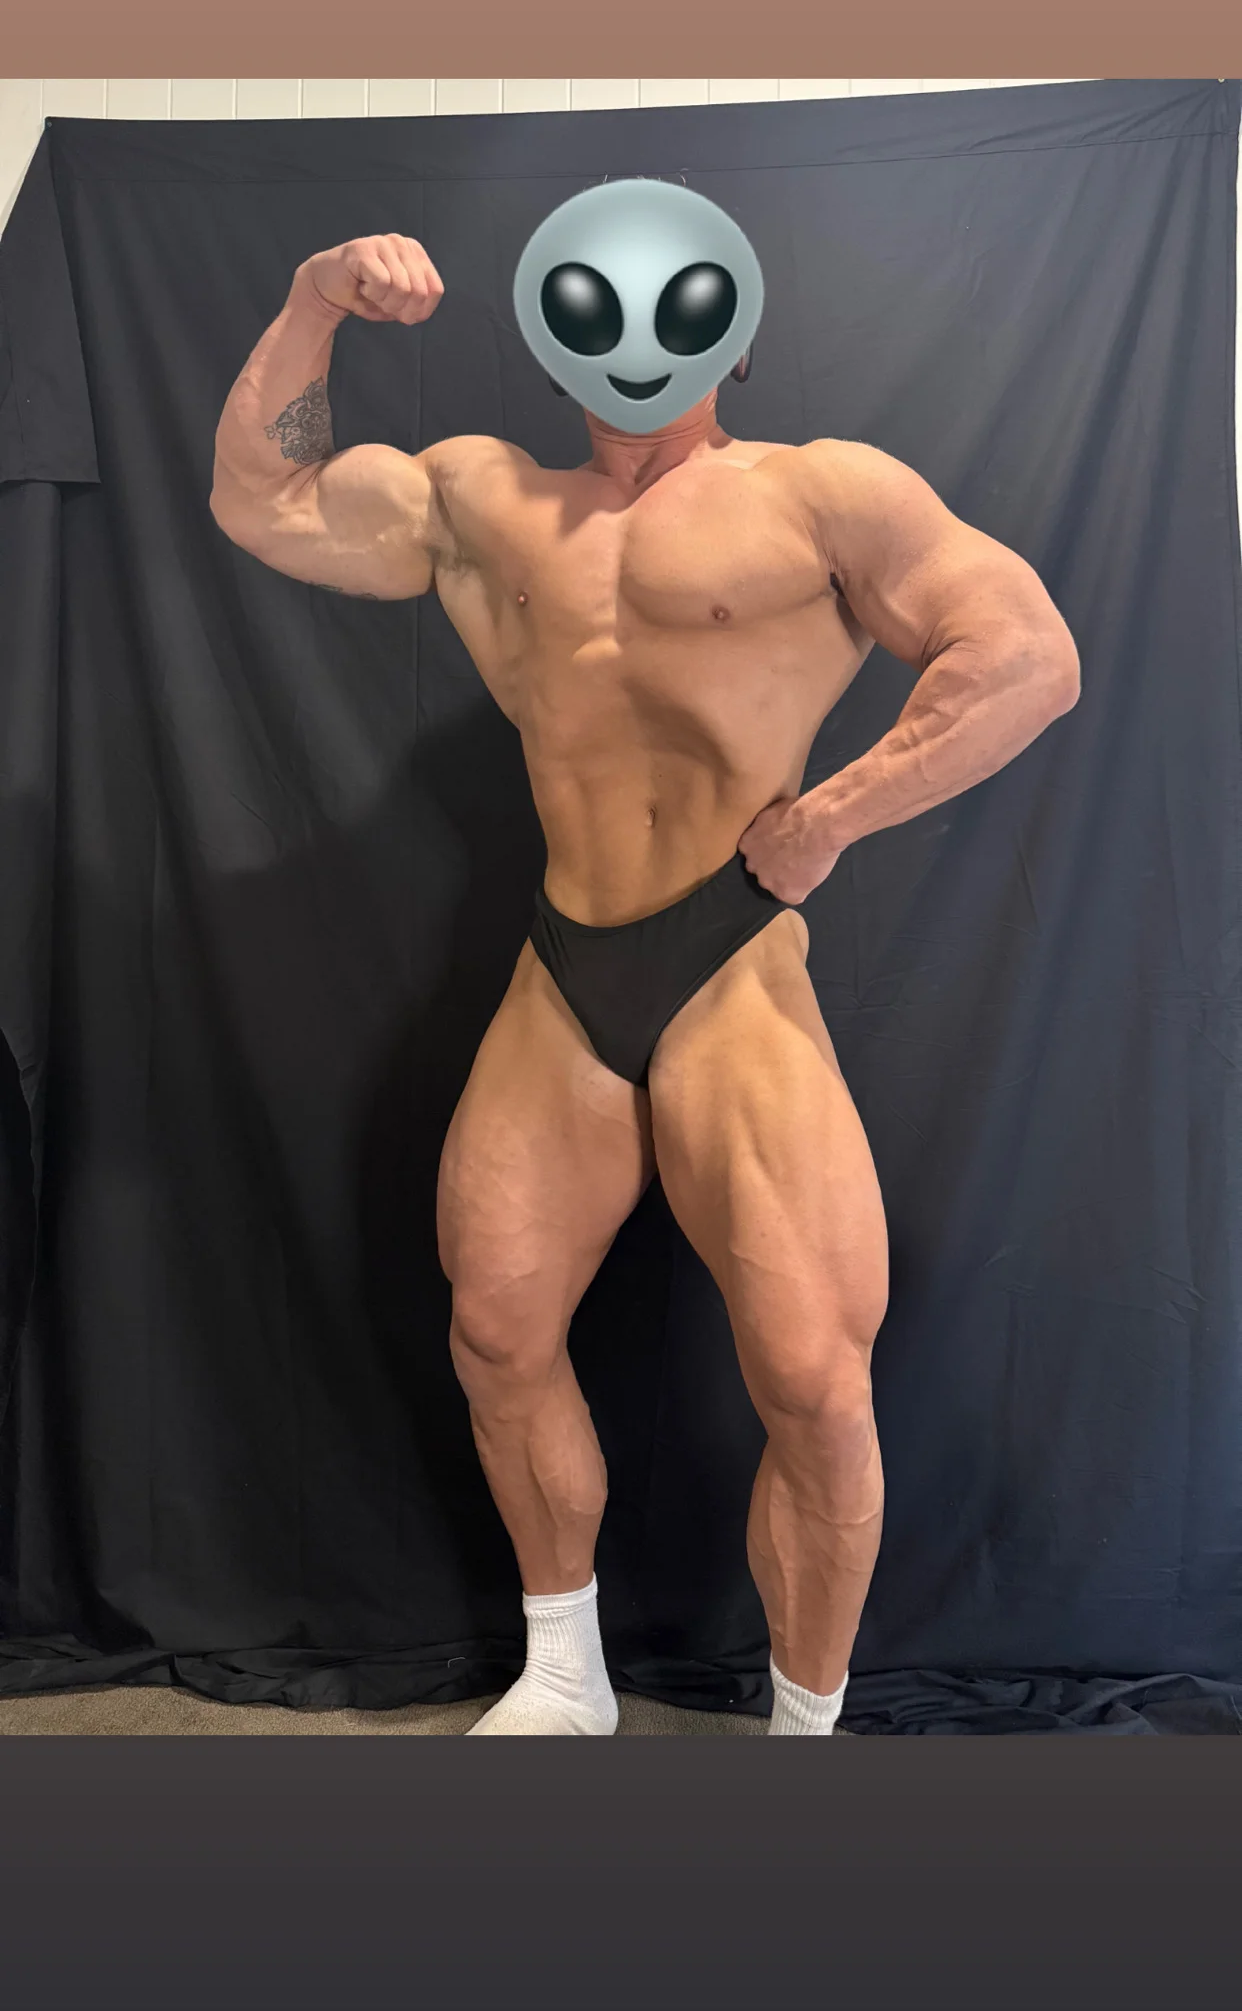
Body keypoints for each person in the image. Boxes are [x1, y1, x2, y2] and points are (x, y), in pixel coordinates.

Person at [210, 208, 1079, 1737]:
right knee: (495, 1333)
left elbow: (1021, 654)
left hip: (731, 958)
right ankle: (565, 1675)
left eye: (672, 308)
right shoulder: (480, 499)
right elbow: (262, 500)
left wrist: (829, 819)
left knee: (811, 1383)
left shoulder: (820, 492)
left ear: (730, 333)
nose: (633, 343)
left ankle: (803, 1734)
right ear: (553, 331)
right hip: (565, 963)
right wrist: (311, 302)